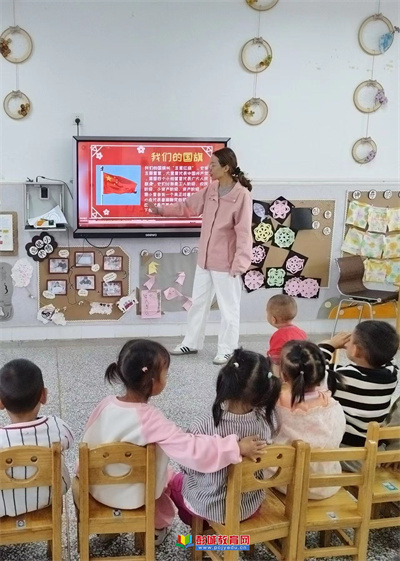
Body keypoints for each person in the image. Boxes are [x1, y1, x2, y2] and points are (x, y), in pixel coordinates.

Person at [79, 339, 266, 544]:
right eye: (165, 374)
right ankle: (156, 529)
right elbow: (191, 449)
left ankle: (109, 527)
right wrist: (234, 447)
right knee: (165, 477)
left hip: (97, 490)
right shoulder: (151, 419)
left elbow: (88, 442)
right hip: (136, 498)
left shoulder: (105, 404)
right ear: (153, 382)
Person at [148, 147, 253, 365]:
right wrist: (160, 210)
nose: (208, 169)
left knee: (229, 310)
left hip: (227, 264)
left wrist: (240, 263)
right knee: (198, 304)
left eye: (213, 165)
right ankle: (192, 342)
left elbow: (244, 233)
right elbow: (187, 207)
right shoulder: (212, 189)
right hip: (204, 261)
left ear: (226, 167)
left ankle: (228, 350)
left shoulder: (241, 195)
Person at [168, 349, 281, 524]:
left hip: (208, 506)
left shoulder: (203, 425)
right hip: (249, 507)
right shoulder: (268, 422)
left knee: (173, 483)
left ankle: (198, 536)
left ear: (226, 380)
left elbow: (188, 467)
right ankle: (226, 537)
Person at [271, 340, 346, 499]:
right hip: (326, 484)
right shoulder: (333, 406)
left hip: (286, 484)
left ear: (283, 375)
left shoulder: (276, 404)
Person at [0, 359, 73, 518]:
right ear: (43, 396)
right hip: (48, 498)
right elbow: (69, 440)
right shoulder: (57, 427)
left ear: (0, 402)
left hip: (4, 505)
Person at [318, 321, 399, 448]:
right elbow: (388, 356)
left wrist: (329, 345)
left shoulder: (345, 377)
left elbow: (315, 371)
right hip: (373, 444)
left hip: (345, 447)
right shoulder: (392, 373)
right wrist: (357, 345)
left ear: (356, 350)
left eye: (351, 340)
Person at [266, 295, 307, 365]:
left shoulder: (278, 336)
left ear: (273, 320)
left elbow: (274, 359)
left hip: (286, 368)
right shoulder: (301, 332)